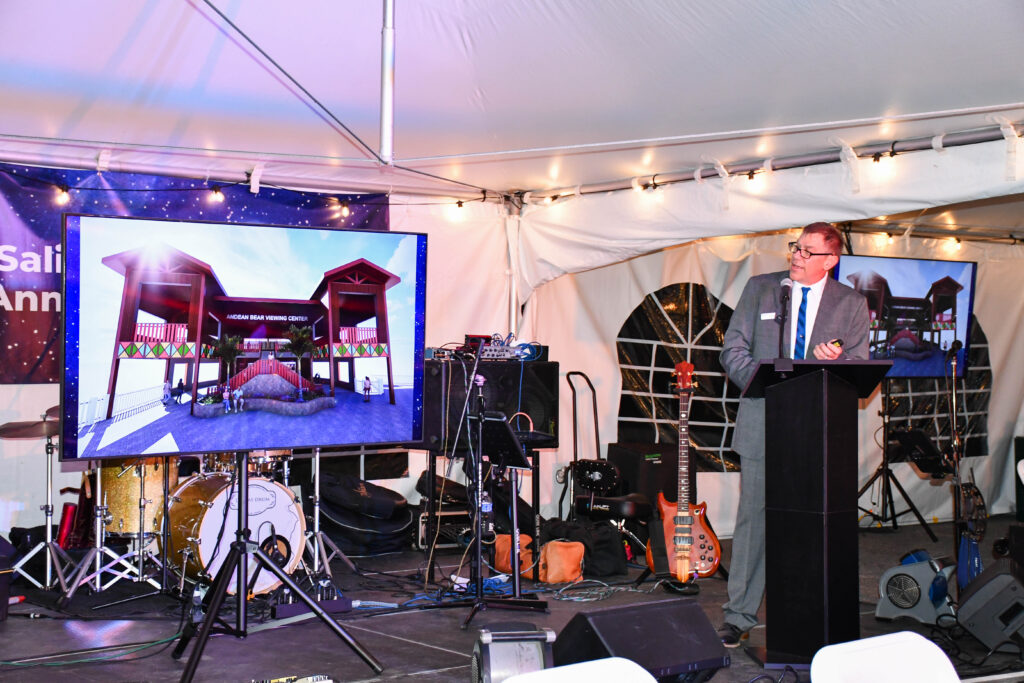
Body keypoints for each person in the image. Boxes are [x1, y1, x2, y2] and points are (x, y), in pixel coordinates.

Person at [717, 222, 869, 647]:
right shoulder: (762, 289)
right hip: (763, 420)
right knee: (753, 523)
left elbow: (858, 364)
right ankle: (739, 615)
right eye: (795, 248)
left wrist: (830, 363)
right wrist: (766, 382)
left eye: (807, 251)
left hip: (819, 429)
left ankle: (812, 615)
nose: (796, 257)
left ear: (831, 260)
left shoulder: (851, 303)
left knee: (815, 525)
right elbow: (733, 349)